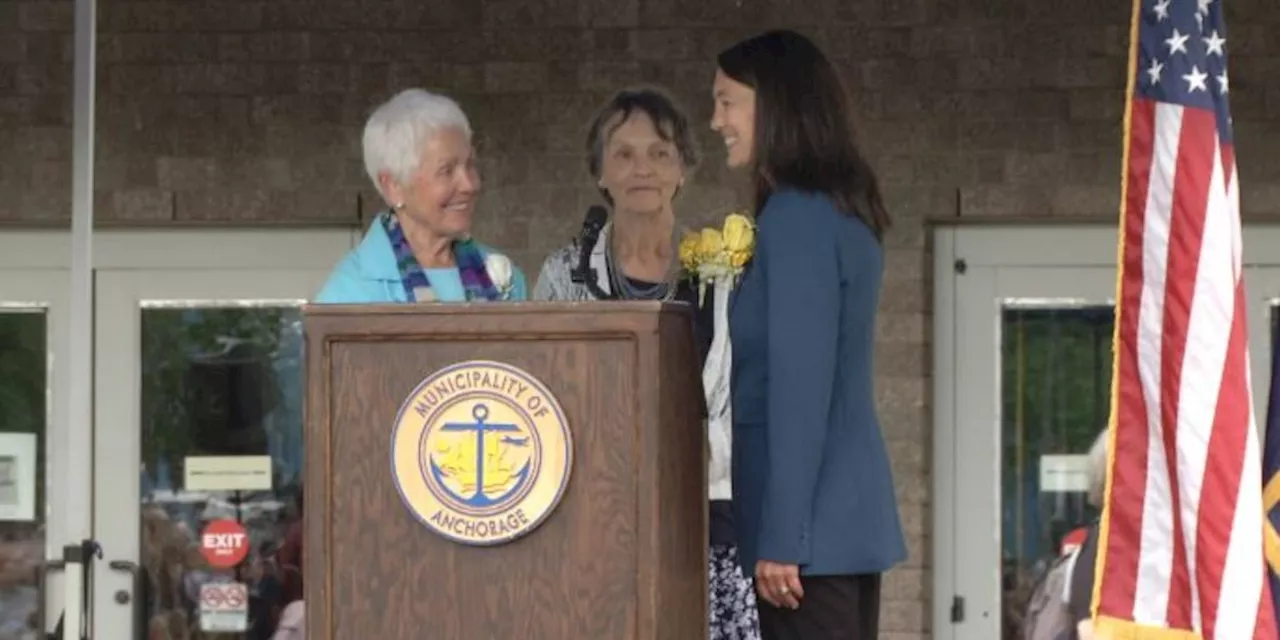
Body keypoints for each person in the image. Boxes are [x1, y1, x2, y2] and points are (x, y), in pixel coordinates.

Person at [532, 86, 761, 639]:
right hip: (595, 527)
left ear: (683, 168)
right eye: (624, 153)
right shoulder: (565, 275)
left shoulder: (727, 270)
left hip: (712, 525)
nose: (643, 169)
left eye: (660, 153)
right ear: (599, 173)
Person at [711, 29, 905, 638]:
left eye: (725, 102)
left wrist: (782, 535)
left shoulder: (796, 217)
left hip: (806, 542)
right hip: (834, 530)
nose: (715, 120)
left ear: (774, 106)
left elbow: (801, 384)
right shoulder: (836, 211)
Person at [316, 88, 528, 303]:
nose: (469, 185)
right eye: (446, 170)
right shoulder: (352, 291)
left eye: (470, 165)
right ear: (393, 186)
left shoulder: (503, 277)